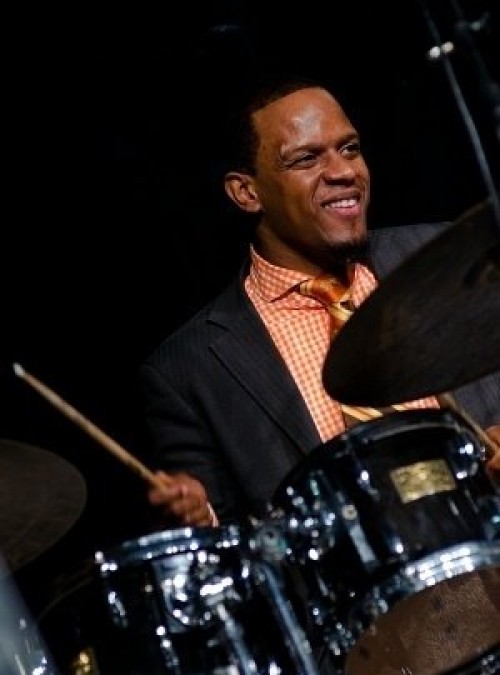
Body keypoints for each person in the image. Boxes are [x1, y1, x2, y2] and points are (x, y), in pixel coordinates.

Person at [138, 70, 500, 530]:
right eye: (307, 158)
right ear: (246, 193)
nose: (344, 172)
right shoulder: (188, 370)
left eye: (349, 149)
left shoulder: (454, 257)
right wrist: (198, 516)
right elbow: (225, 542)